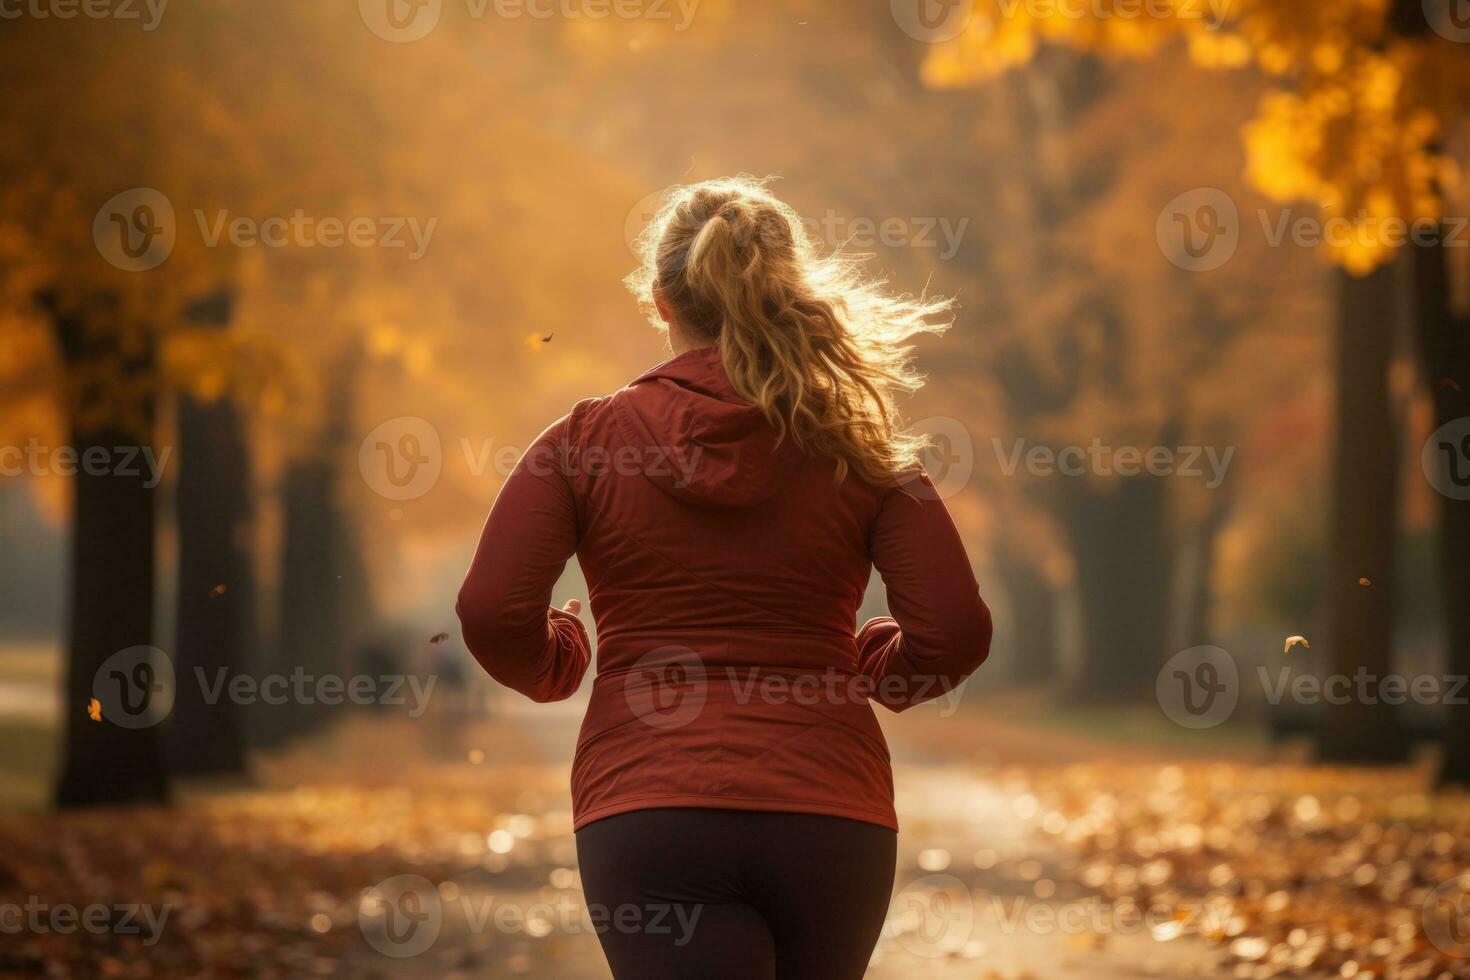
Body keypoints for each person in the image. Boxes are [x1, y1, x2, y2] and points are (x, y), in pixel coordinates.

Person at [457, 176, 991, 979]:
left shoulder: (585, 441)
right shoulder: (861, 447)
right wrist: (881, 663)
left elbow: (491, 610)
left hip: (647, 805)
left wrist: (559, 656)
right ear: (783, 294)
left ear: (662, 304)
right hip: (828, 811)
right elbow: (954, 627)